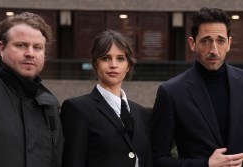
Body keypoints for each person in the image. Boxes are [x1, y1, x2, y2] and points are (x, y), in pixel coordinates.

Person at [151, 7, 243, 167]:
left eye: (220, 40)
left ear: (229, 43)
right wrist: (205, 164)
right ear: (192, 43)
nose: (214, 50)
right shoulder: (171, 92)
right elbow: (157, 159)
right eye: (206, 40)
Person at [60, 30, 152, 167]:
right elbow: (73, 162)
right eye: (106, 58)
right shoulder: (77, 109)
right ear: (95, 64)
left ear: (128, 66)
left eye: (120, 58)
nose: (113, 64)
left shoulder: (141, 113)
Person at [0, 12, 64, 167]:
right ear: (1, 47)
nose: (30, 53)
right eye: (21, 45)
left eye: (37, 47)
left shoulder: (49, 104)